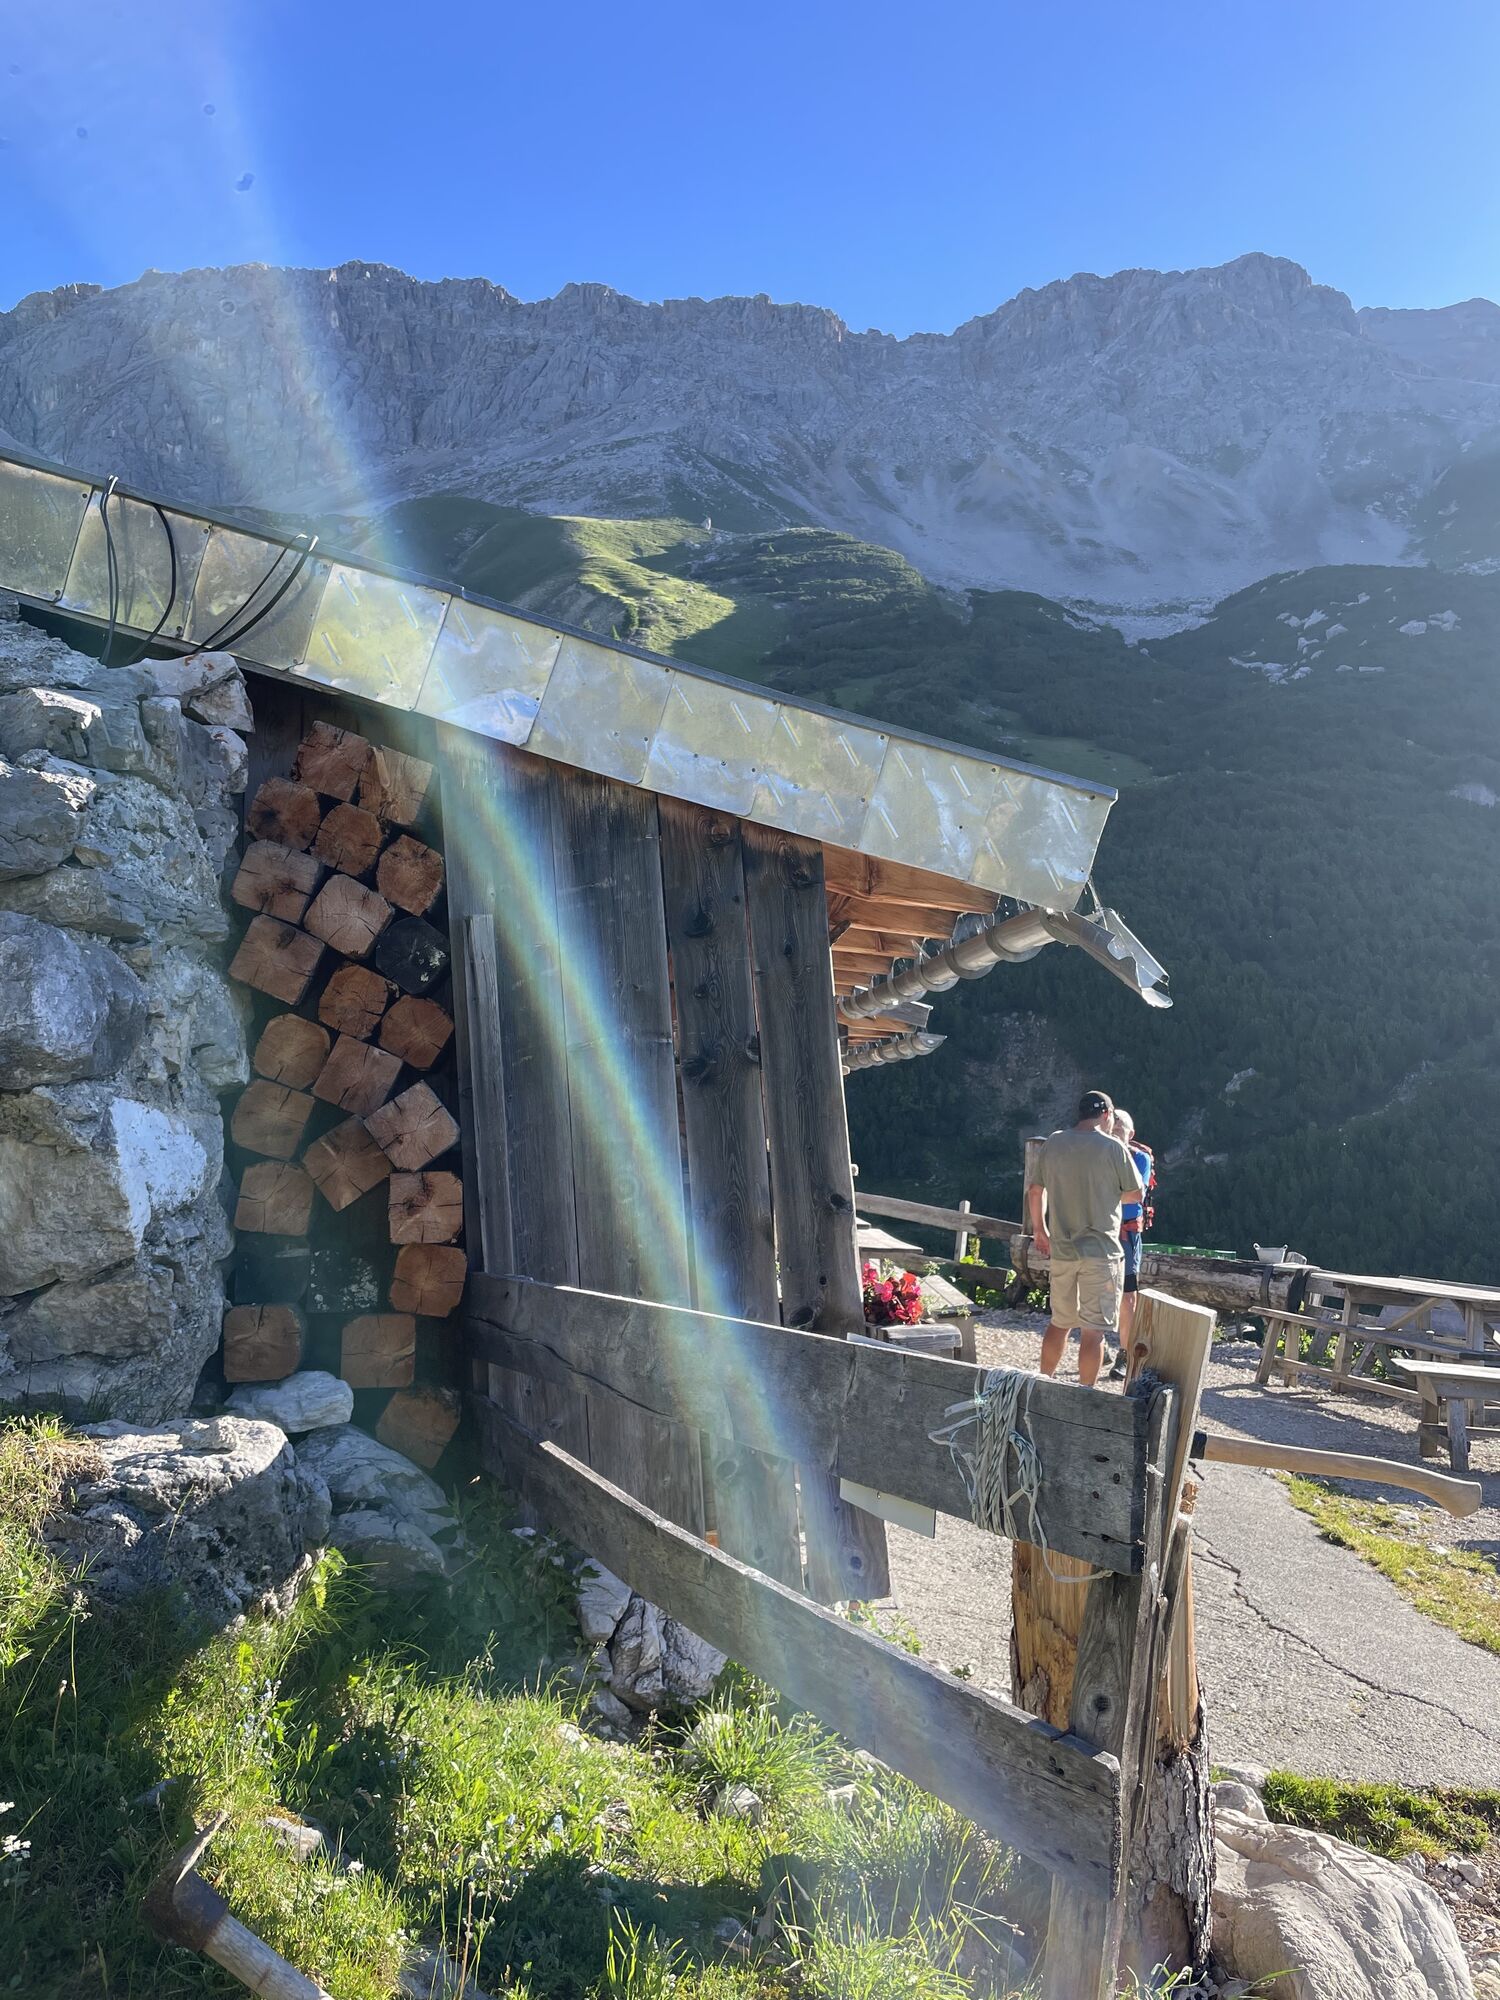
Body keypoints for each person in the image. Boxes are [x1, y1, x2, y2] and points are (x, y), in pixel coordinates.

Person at [1026, 1088, 1145, 1387]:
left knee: (1059, 1323)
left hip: (1062, 1250)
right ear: (1106, 1115)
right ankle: (1085, 1395)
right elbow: (1136, 1194)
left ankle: (1042, 1384)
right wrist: (1106, 1192)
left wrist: (1040, 1230)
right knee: (1093, 1331)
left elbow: (1035, 1191)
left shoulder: (1054, 1142)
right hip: (1101, 1253)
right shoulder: (1113, 1147)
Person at [1108, 1108, 1155, 1380]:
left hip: (1126, 1234)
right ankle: (1097, 1342)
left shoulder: (1140, 1158)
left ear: (1130, 1133)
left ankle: (1125, 1354)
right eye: (1111, 1129)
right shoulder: (1099, 1154)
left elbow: (1134, 1195)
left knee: (1128, 1296)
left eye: (1119, 1129)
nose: (1115, 1134)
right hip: (1102, 1231)